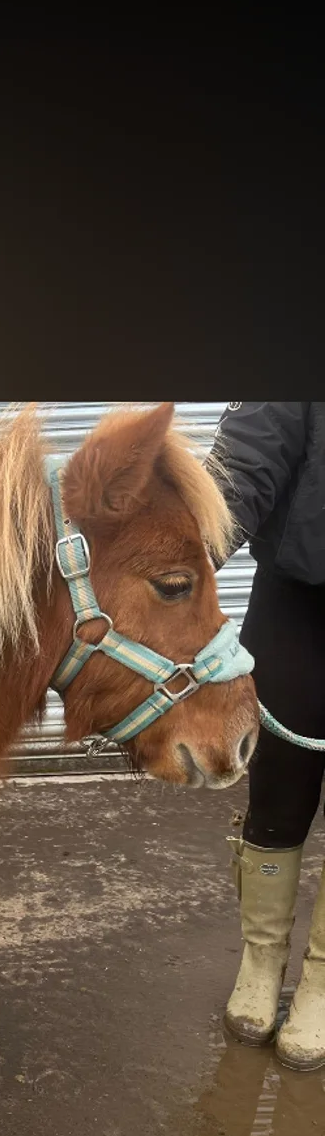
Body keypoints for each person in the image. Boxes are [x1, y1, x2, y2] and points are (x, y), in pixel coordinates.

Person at [208, 403, 325, 1068]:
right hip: (298, 603)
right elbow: (247, 455)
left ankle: (321, 979)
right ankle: (262, 959)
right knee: (277, 794)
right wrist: (186, 539)